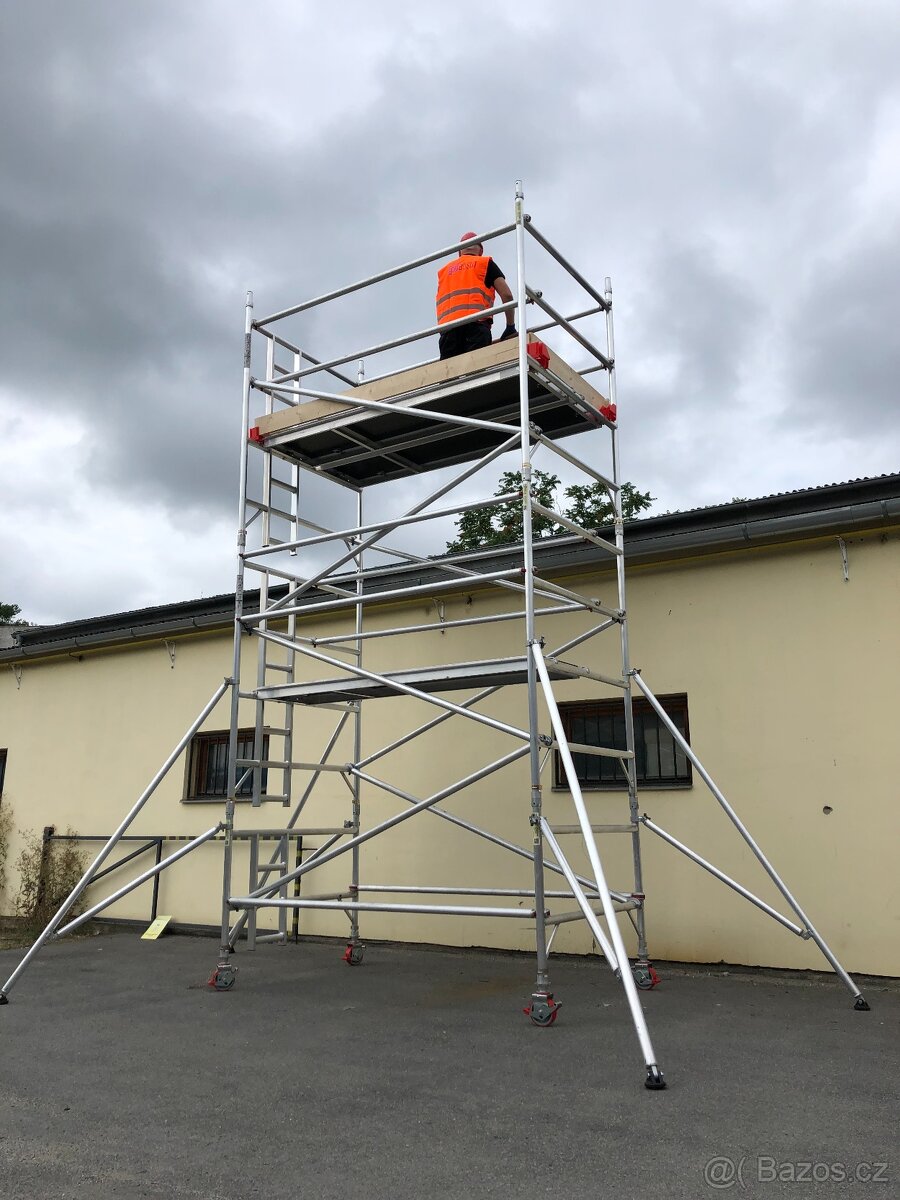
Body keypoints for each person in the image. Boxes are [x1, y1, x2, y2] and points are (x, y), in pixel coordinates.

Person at [436, 232, 517, 359]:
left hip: (448, 332)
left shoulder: (444, 272)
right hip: (476, 328)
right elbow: (507, 295)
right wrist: (510, 327)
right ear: (480, 251)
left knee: (450, 371)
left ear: (459, 252)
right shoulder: (484, 263)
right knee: (477, 369)